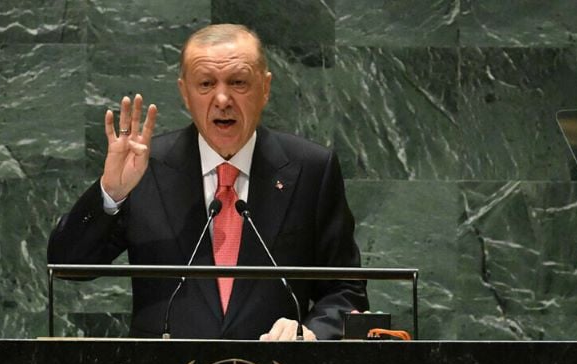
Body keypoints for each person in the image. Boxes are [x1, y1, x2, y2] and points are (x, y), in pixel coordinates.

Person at [48, 24, 368, 340]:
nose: (223, 98)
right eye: (205, 84)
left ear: (266, 88)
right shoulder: (144, 167)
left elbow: (346, 291)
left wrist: (309, 332)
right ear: (185, 93)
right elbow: (67, 267)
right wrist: (112, 193)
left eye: (238, 82)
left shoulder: (310, 169)